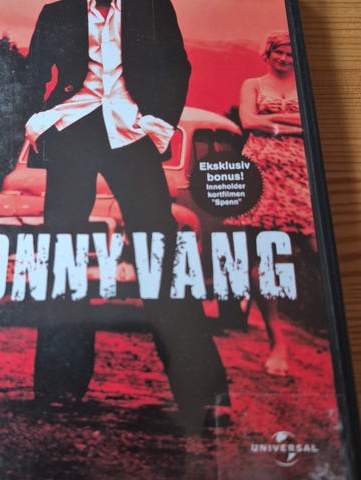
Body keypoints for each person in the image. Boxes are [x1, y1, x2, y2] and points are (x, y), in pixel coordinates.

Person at [24, 0, 229, 430]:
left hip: (133, 133)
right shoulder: (56, 12)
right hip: (71, 130)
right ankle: (59, 387)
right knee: (63, 251)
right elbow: (31, 75)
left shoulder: (153, 7)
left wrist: (157, 127)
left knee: (161, 253)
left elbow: (177, 69)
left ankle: (202, 392)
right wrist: (37, 123)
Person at [225, 32, 315, 376]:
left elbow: (312, 122)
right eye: (279, 52)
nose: (284, 58)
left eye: (291, 53)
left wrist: (272, 124)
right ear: (268, 53)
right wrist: (295, 124)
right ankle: (277, 342)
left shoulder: (305, 85)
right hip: (262, 175)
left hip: (301, 176)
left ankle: (328, 319)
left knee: (317, 249)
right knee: (265, 260)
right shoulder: (253, 85)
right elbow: (249, 121)